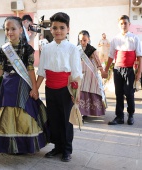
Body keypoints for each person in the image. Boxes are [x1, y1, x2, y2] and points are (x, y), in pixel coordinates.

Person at [0, 16, 49, 154]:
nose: (10, 32)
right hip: (5, 83)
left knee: (23, 109)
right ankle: (4, 144)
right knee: (1, 110)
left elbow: (30, 69)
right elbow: (1, 68)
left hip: (21, 84)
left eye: (13, 29)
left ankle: (22, 145)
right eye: (7, 29)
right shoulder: (4, 49)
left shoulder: (27, 49)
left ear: (21, 30)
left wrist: (35, 88)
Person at [36, 12, 82, 162]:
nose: (58, 31)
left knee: (66, 121)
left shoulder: (72, 49)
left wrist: (77, 93)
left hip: (66, 89)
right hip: (50, 88)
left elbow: (76, 73)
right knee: (54, 119)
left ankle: (67, 150)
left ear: (68, 29)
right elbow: (41, 71)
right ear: (50, 29)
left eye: (62, 27)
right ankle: (57, 147)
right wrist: (35, 88)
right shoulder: (46, 48)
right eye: (55, 27)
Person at [104, 15, 142, 125]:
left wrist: (139, 72)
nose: (123, 25)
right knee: (118, 93)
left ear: (129, 24)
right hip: (117, 70)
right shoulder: (115, 39)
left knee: (129, 93)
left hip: (129, 70)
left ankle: (131, 115)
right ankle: (119, 116)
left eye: (125, 23)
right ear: (118, 25)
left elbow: (139, 56)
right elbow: (111, 56)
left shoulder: (134, 38)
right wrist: (106, 70)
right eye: (121, 23)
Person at [77, 30, 107, 118]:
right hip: (80, 74)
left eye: (84, 40)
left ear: (88, 39)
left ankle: (88, 111)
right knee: (80, 91)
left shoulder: (92, 50)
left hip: (90, 75)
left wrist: (102, 72)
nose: (82, 42)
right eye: (81, 40)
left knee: (90, 91)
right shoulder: (77, 49)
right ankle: (81, 111)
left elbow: (98, 62)